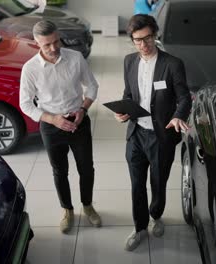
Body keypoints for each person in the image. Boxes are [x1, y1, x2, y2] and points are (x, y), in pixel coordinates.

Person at [114, 14, 191, 251]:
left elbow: (184, 97)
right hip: (136, 134)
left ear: (155, 35)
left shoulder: (172, 64)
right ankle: (139, 227)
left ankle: (156, 214)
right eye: (137, 40)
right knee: (137, 185)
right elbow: (128, 94)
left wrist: (179, 115)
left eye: (147, 38)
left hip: (161, 135)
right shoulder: (129, 61)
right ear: (132, 40)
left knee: (158, 183)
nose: (143, 45)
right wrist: (123, 110)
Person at [20, 20, 101, 234]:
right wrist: (52, 119)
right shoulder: (30, 69)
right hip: (51, 125)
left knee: (86, 168)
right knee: (59, 171)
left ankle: (88, 205)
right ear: (37, 43)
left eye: (56, 41)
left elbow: (92, 85)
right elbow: (25, 104)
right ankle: (67, 209)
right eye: (47, 45)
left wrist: (83, 109)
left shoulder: (75, 58)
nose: (54, 48)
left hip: (78, 121)